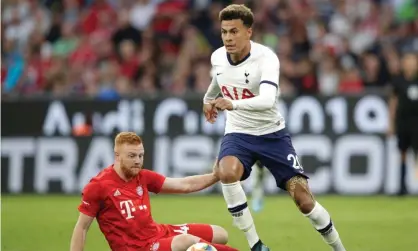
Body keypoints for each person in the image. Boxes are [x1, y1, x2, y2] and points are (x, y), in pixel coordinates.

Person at [202, 4, 346, 251]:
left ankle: (339, 249)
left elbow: (268, 99)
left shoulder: (266, 58)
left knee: (304, 201)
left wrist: (232, 103)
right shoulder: (217, 57)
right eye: (224, 32)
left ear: (249, 32)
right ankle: (255, 245)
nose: (228, 38)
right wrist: (208, 99)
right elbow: (218, 79)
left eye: (234, 31)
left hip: (272, 135)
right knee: (226, 172)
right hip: (238, 134)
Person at [70, 132, 238, 251]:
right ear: (117, 156)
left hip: (158, 233)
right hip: (140, 248)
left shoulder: (142, 176)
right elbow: (82, 227)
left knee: (220, 234)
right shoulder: (99, 186)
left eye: (140, 156)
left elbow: (184, 185)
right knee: (187, 242)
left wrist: (216, 176)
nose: (137, 161)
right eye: (132, 156)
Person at [388, 52, 418, 195]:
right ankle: (402, 186)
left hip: (417, 122)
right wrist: (391, 123)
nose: (410, 64)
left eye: (413, 61)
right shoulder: (398, 81)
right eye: (408, 61)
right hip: (403, 122)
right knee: (403, 153)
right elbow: (394, 102)